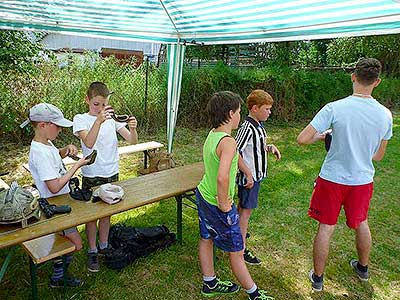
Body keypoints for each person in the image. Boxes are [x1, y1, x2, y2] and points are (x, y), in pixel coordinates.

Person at [297, 58, 393, 292]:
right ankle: (363, 268)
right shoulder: (385, 115)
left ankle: (318, 279)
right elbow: (379, 156)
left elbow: (302, 139)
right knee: (361, 223)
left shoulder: (334, 108)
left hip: (332, 178)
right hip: (361, 180)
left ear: (353, 76)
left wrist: (324, 137)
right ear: (377, 82)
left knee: (326, 227)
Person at [196, 91, 275, 300]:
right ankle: (254, 294)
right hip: (217, 202)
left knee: (206, 239)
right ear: (231, 114)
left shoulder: (213, 135)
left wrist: (247, 171)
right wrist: (225, 205)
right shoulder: (228, 142)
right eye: (239, 112)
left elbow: (234, 157)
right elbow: (222, 178)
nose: (240, 116)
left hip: (203, 195)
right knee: (237, 251)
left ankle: (209, 282)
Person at [73, 82, 138, 272]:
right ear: (87, 100)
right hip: (92, 173)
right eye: (96, 104)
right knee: (92, 214)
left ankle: (104, 245)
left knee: (107, 211)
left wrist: (132, 128)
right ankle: (92, 249)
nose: (100, 109)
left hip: (112, 171)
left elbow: (132, 141)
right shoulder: (81, 119)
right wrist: (98, 121)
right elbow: (89, 142)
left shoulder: (112, 119)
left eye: (104, 105)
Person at [28, 102, 89, 288]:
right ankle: (58, 276)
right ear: (43, 125)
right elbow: (54, 186)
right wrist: (76, 167)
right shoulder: (39, 152)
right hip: (54, 206)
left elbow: (54, 155)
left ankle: (58, 267)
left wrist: (65, 151)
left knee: (67, 239)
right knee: (76, 244)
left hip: (60, 202)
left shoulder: (46, 143)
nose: (61, 130)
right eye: (57, 125)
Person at [235, 90, 281, 265]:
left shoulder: (258, 125)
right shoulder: (247, 127)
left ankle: (238, 234)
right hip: (250, 179)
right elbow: (235, 150)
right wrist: (247, 172)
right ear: (255, 108)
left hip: (255, 176)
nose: (269, 112)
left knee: (243, 209)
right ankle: (240, 249)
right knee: (246, 213)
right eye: (267, 109)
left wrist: (269, 147)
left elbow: (255, 147)